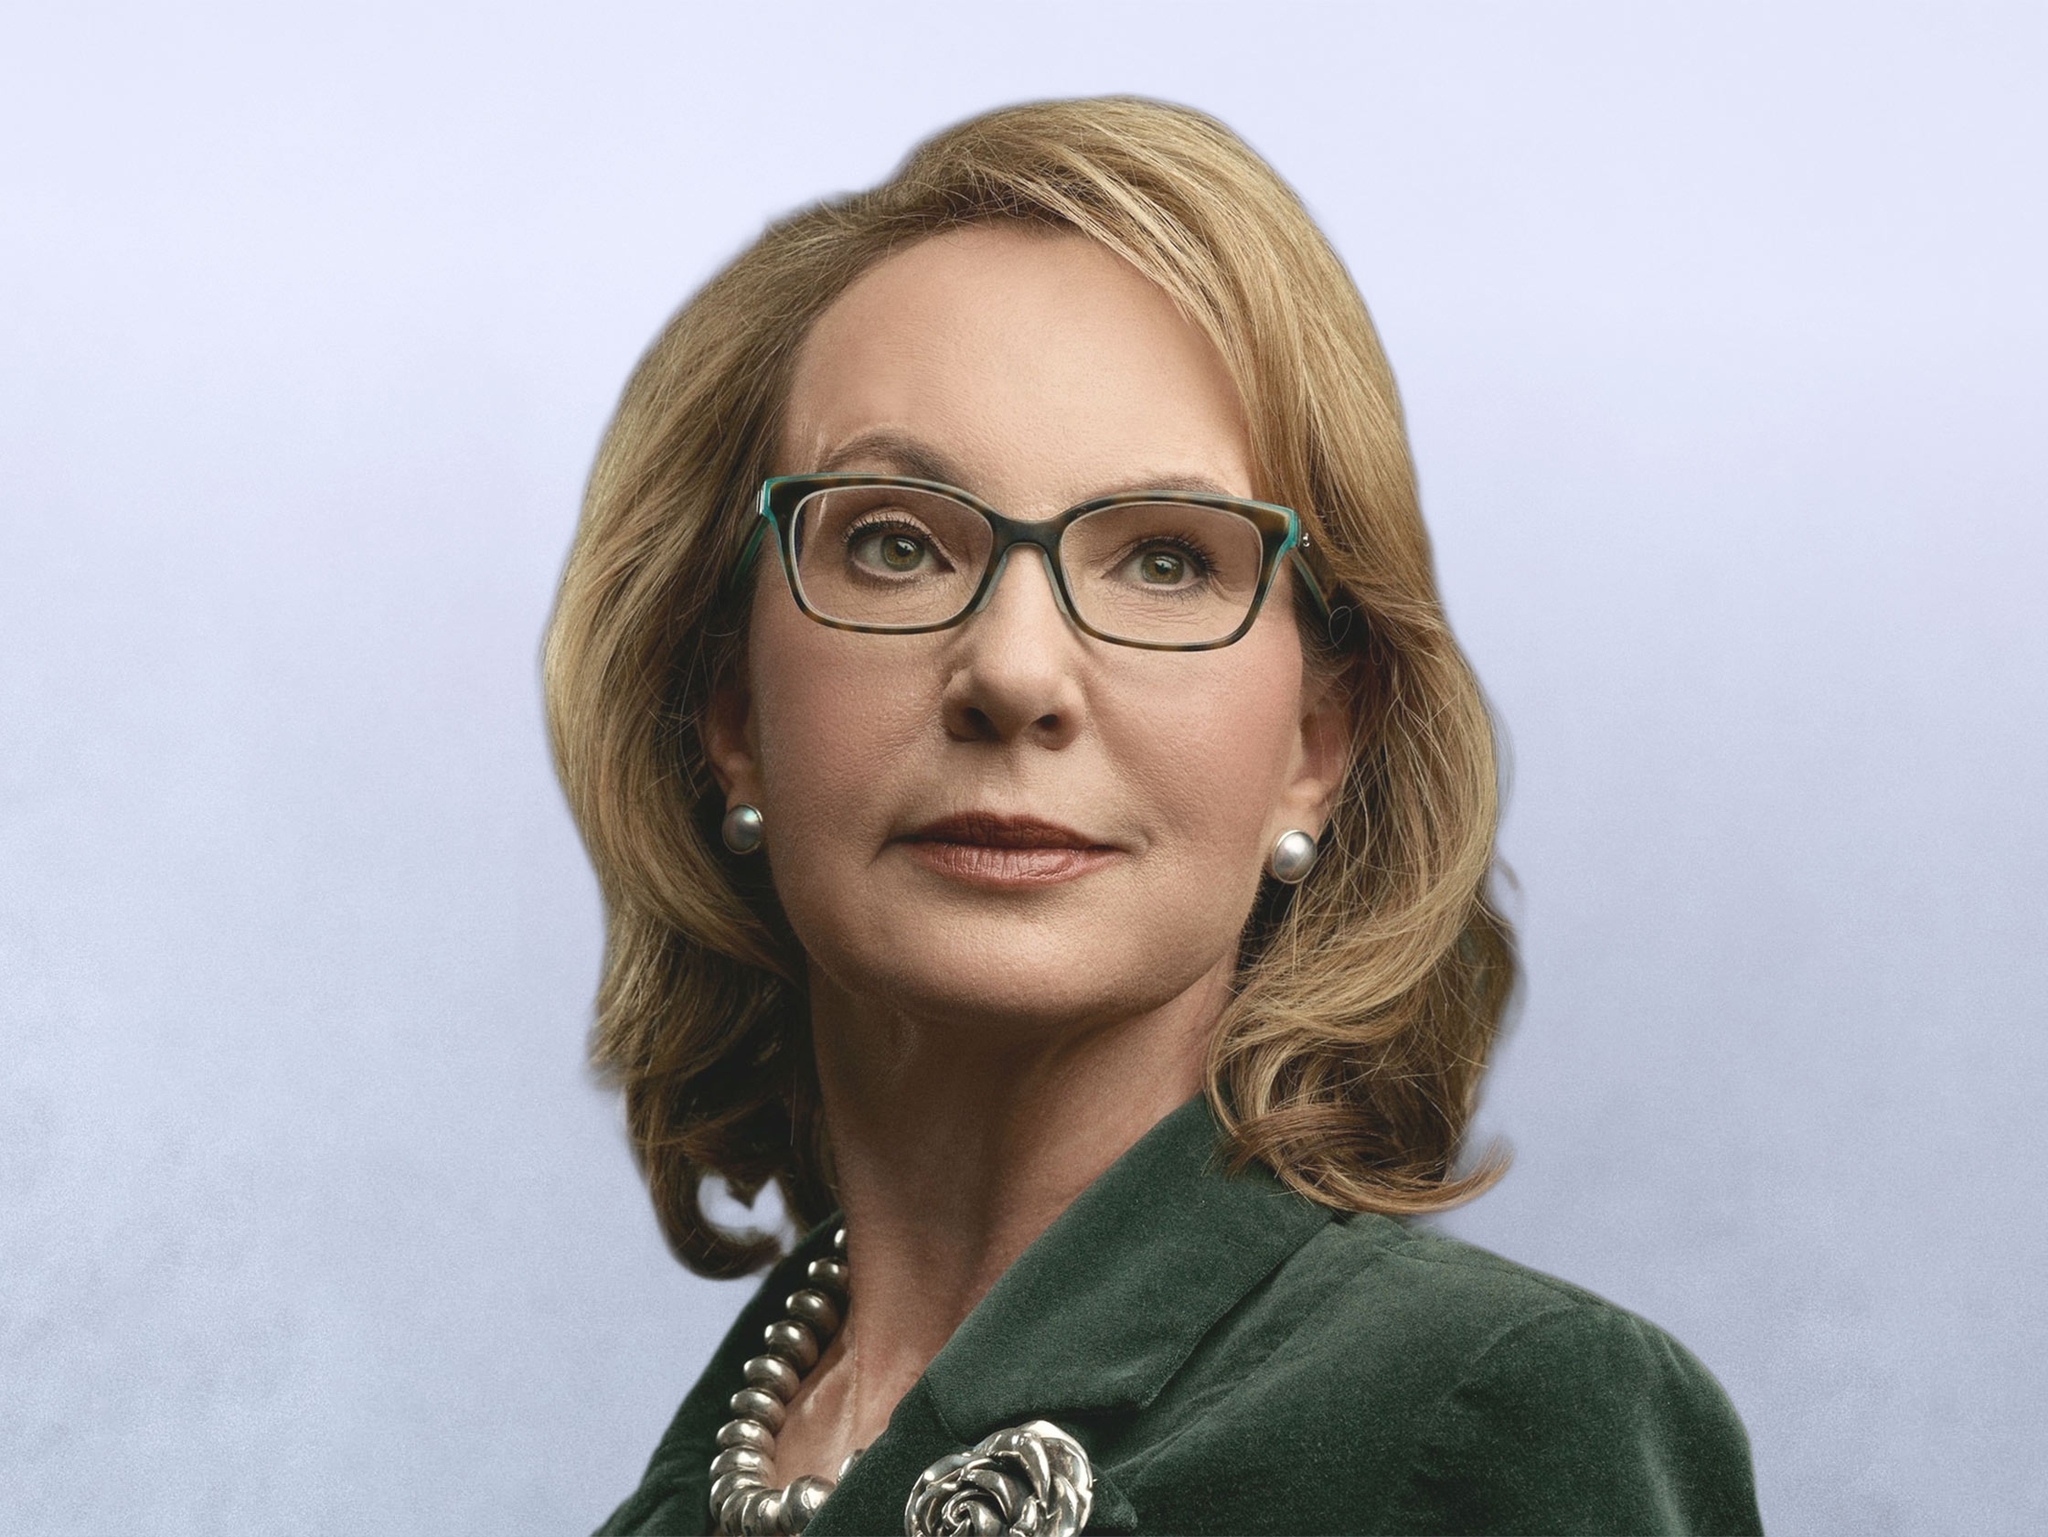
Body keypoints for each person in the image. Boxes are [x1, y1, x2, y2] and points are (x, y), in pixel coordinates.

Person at [545, 97, 1761, 1537]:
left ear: (1318, 744)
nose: (1012, 670)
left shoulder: (1487, 1423)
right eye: (892, 541)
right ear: (729, 712)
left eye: (1169, 561)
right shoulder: (697, 1495)